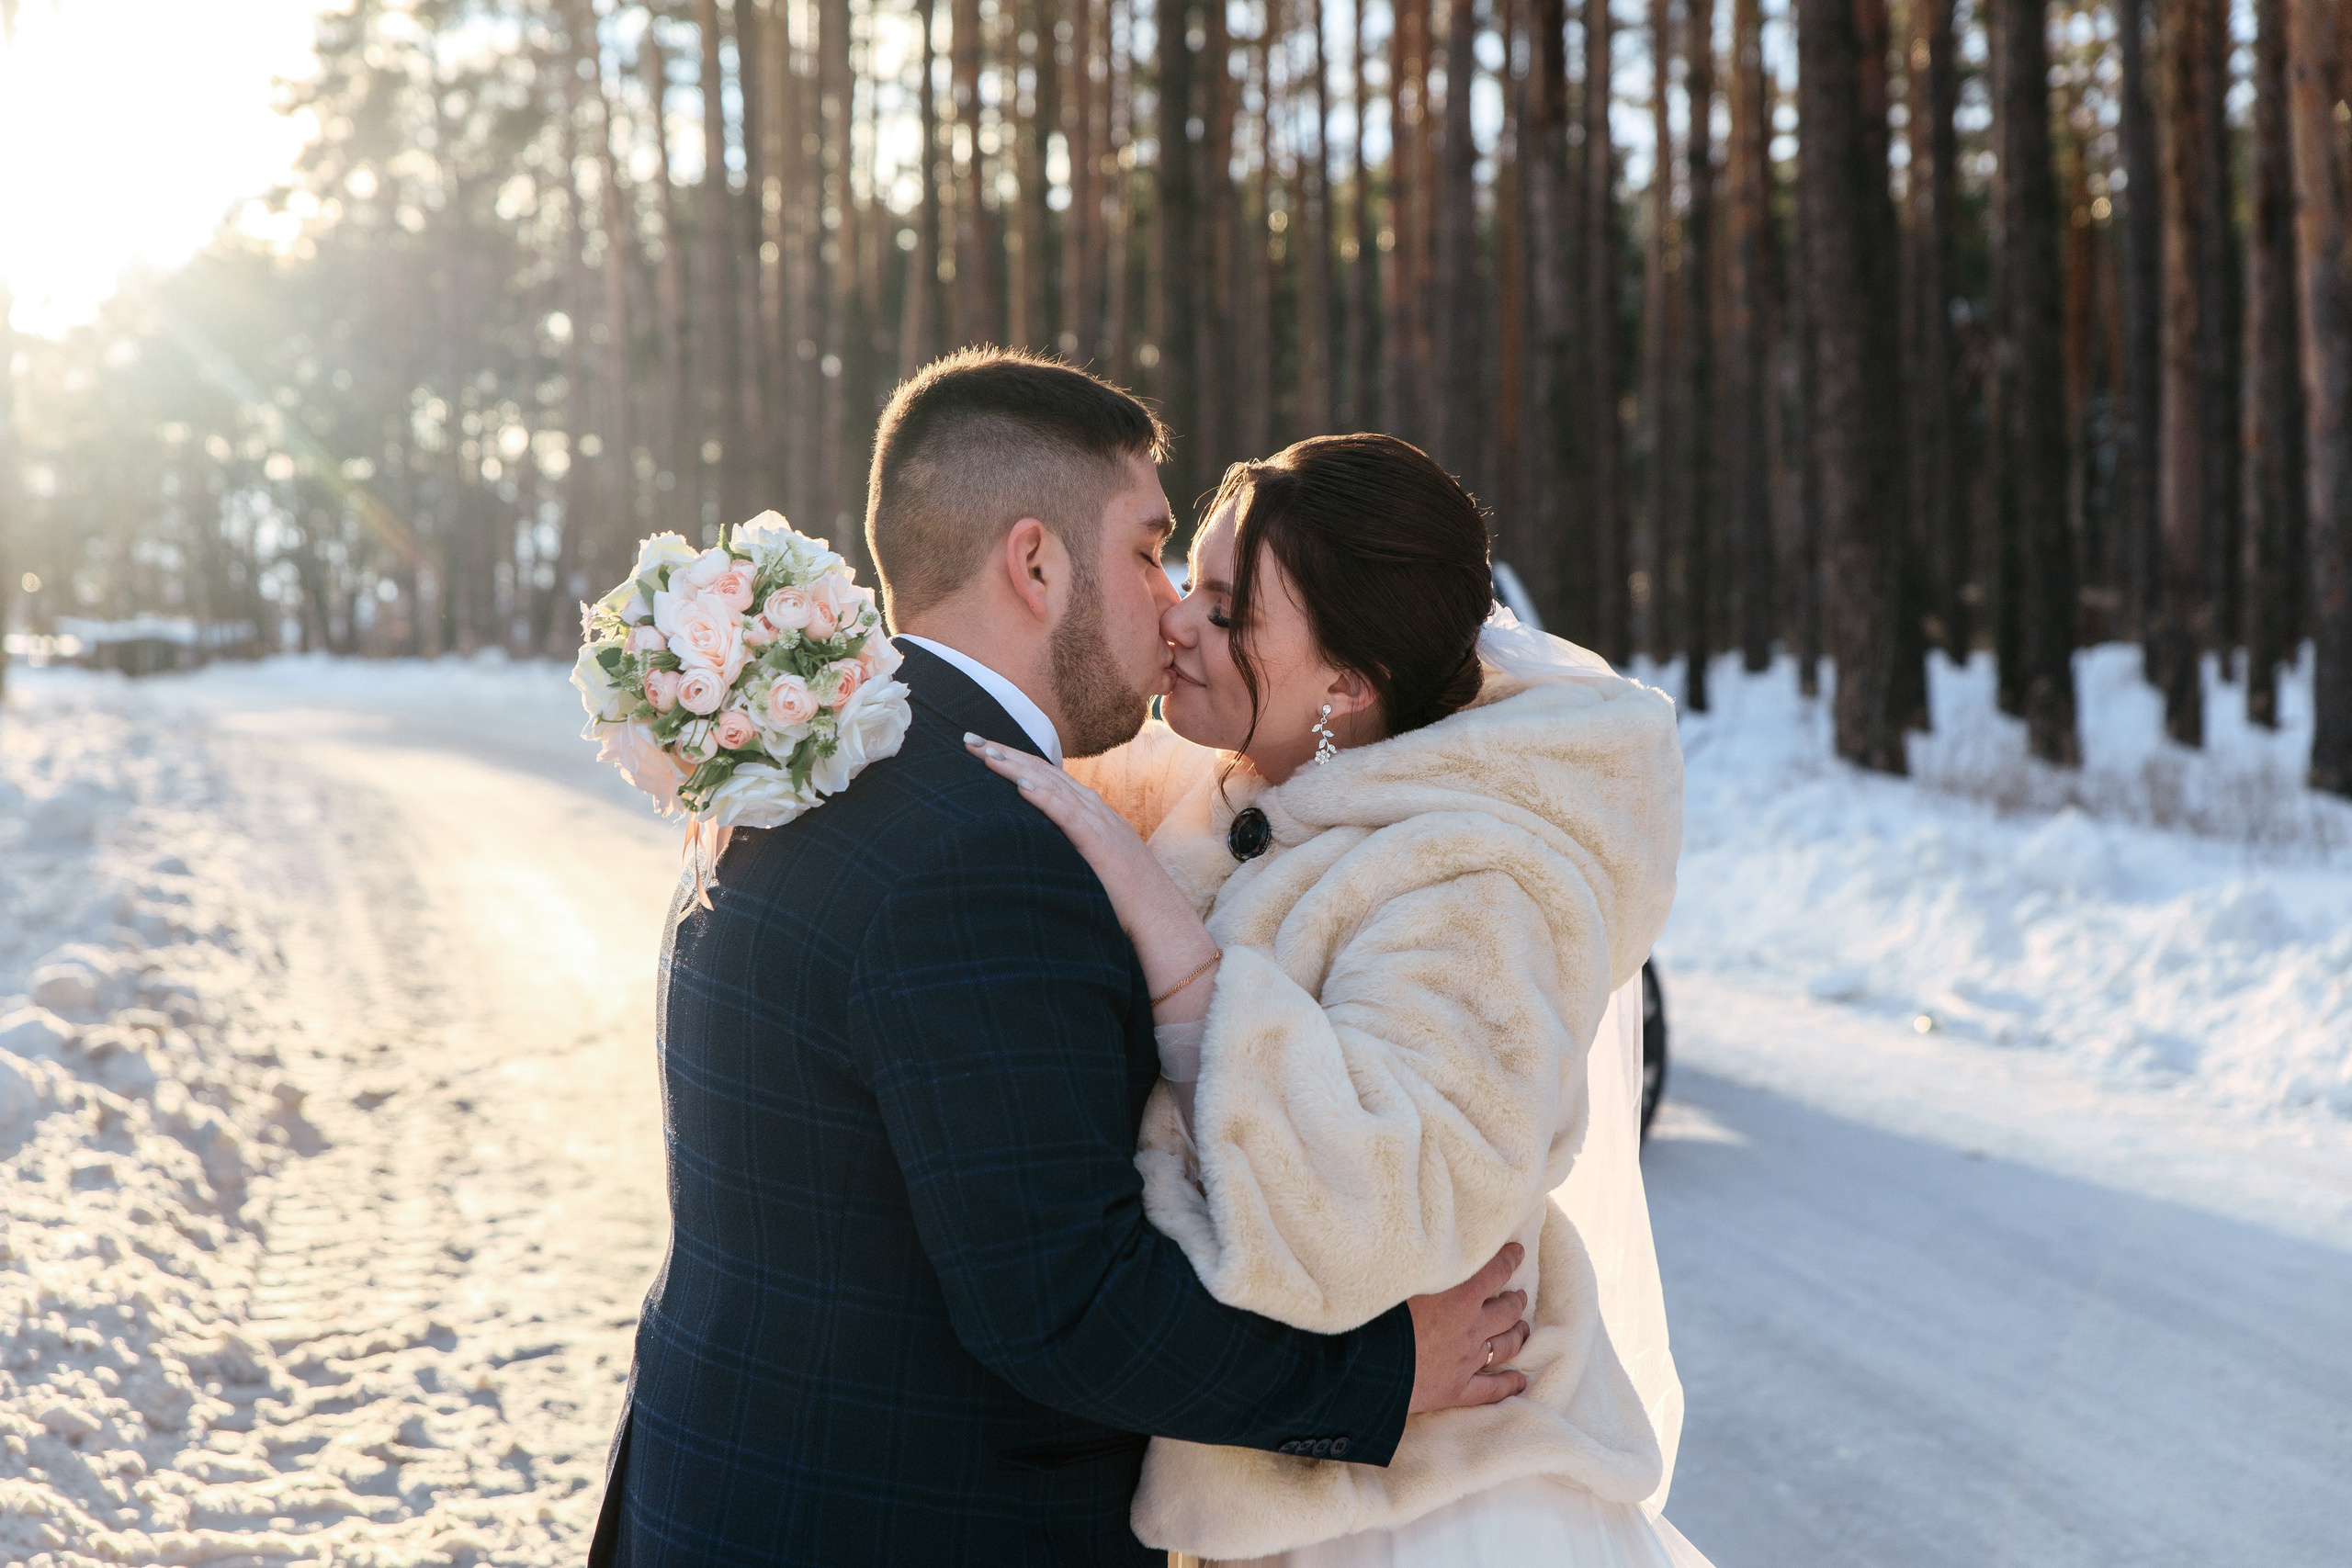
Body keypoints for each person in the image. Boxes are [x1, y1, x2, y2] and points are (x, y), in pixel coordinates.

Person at [587, 353, 1533, 1567]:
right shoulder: (981, 851)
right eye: (1148, 550)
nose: (1172, 604)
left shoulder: (802, 764)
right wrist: (1384, 1371)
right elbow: (1066, 1304)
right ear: (1035, 563)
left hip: (729, 1484)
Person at [966, 433, 1716, 1566]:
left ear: (1350, 682)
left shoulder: (1476, 881)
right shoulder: (1249, 783)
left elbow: (1374, 1210)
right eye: (1192, 582)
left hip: (1427, 1517)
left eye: (1227, 610)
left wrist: (1176, 951)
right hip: (1294, 1500)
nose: (1179, 621)